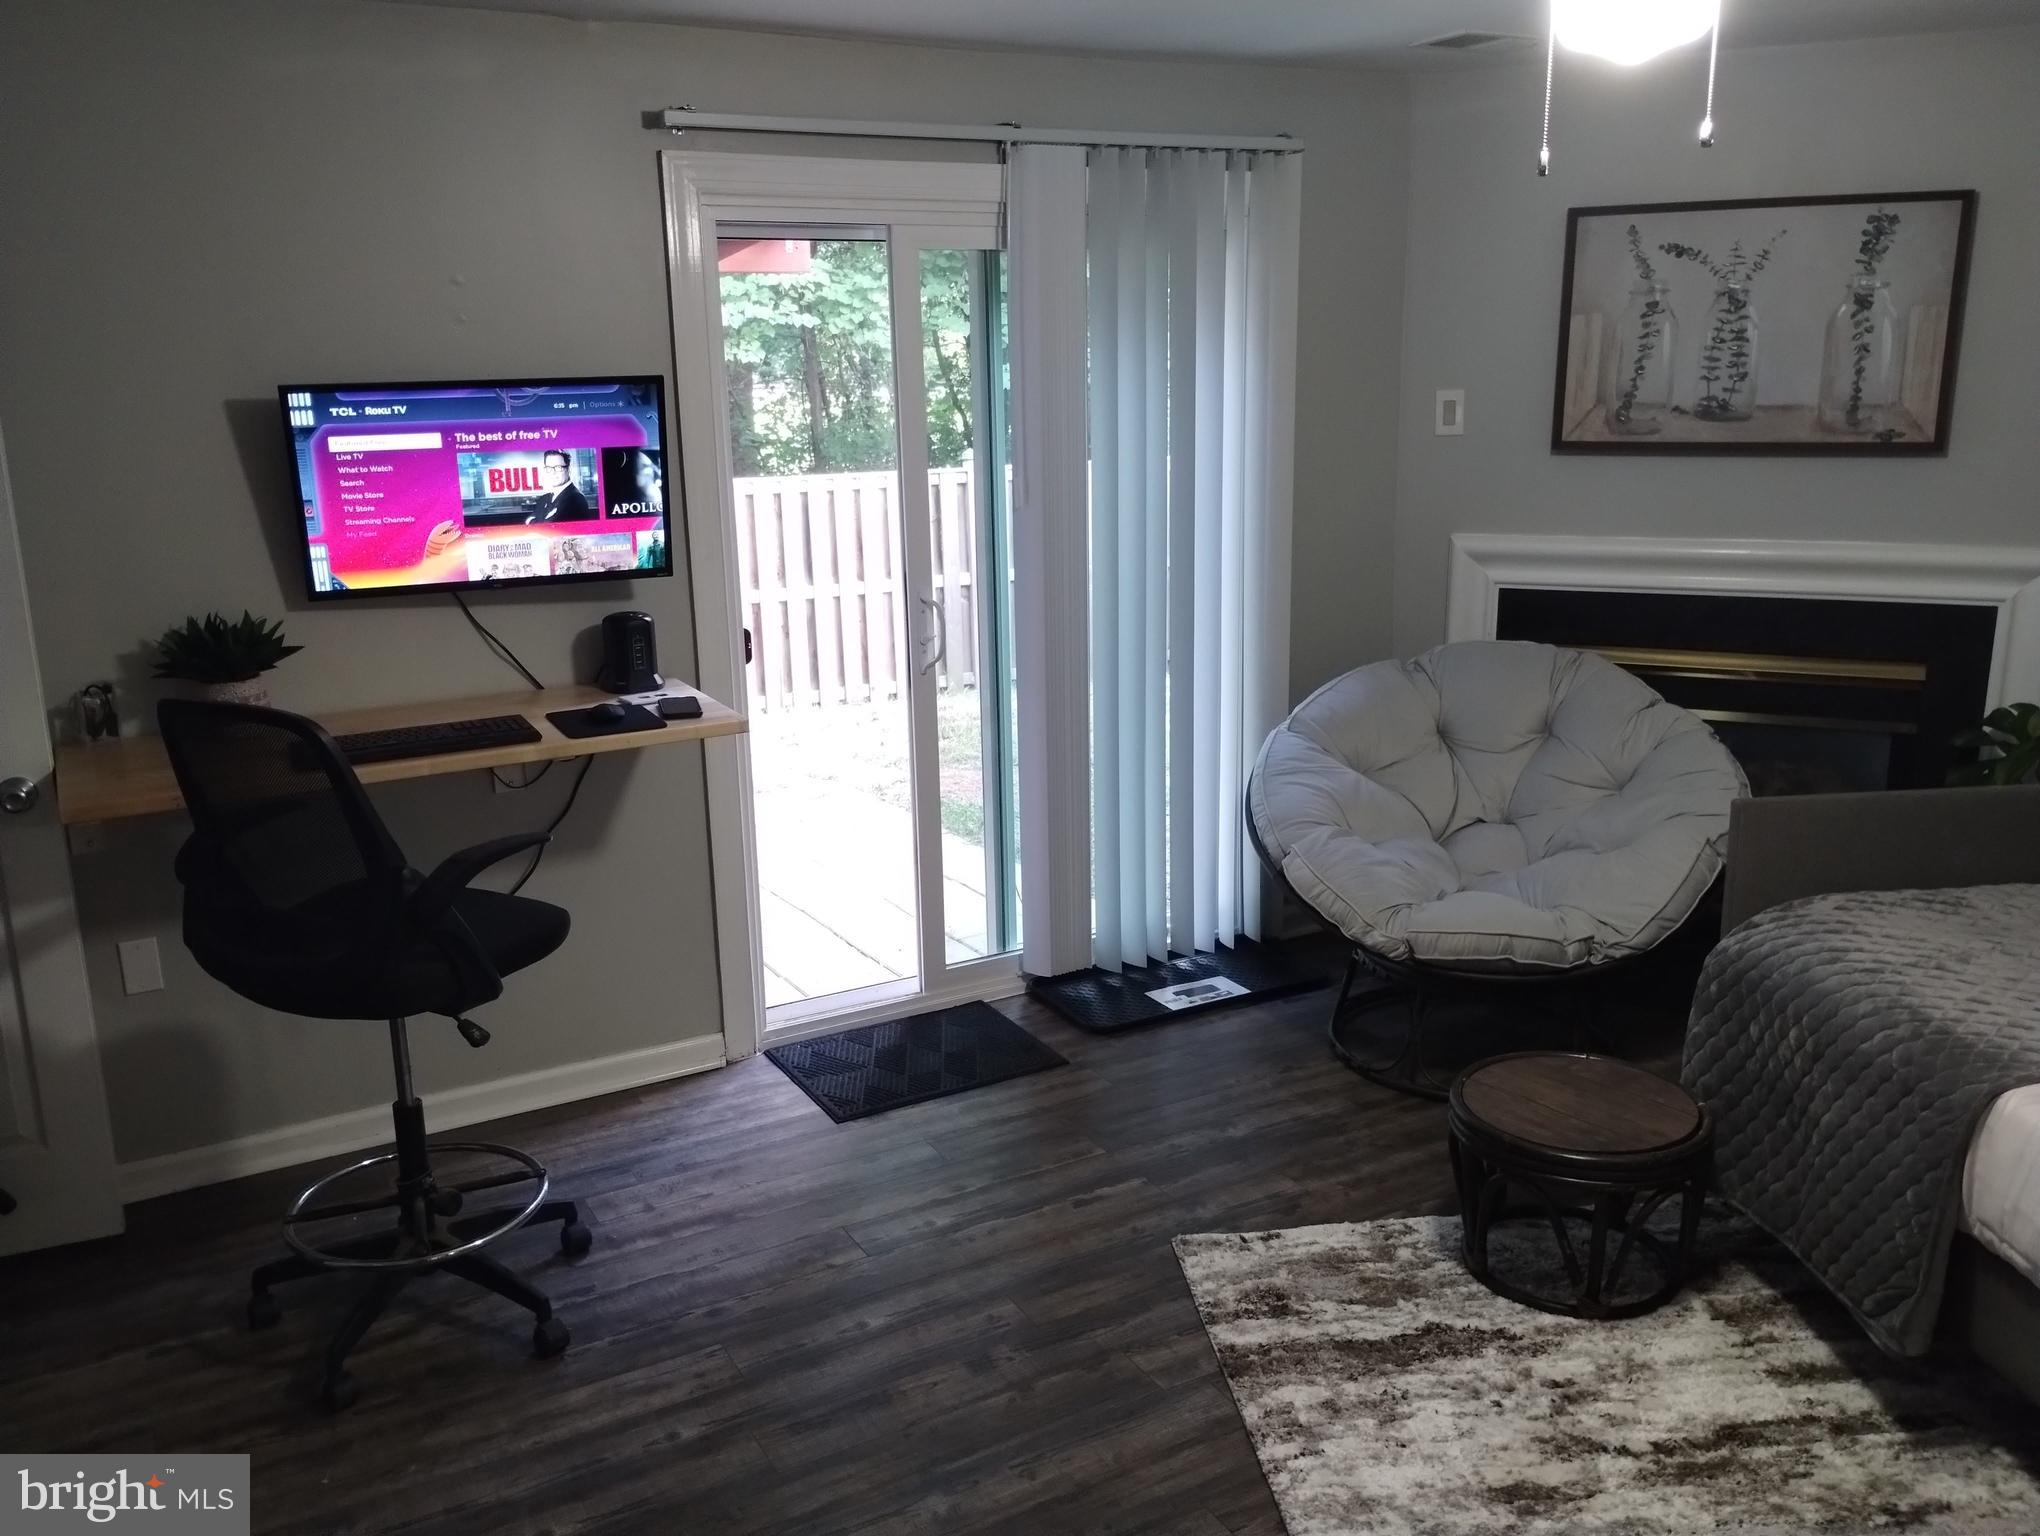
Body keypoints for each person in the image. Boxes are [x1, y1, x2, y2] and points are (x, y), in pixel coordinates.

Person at [527, 450, 591, 522]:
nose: (553, 472)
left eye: (558, 467)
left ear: (569, 469)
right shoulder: (544, 498)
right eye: (549, 468)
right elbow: (529, 520)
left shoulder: (575, 499)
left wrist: (536, 521)